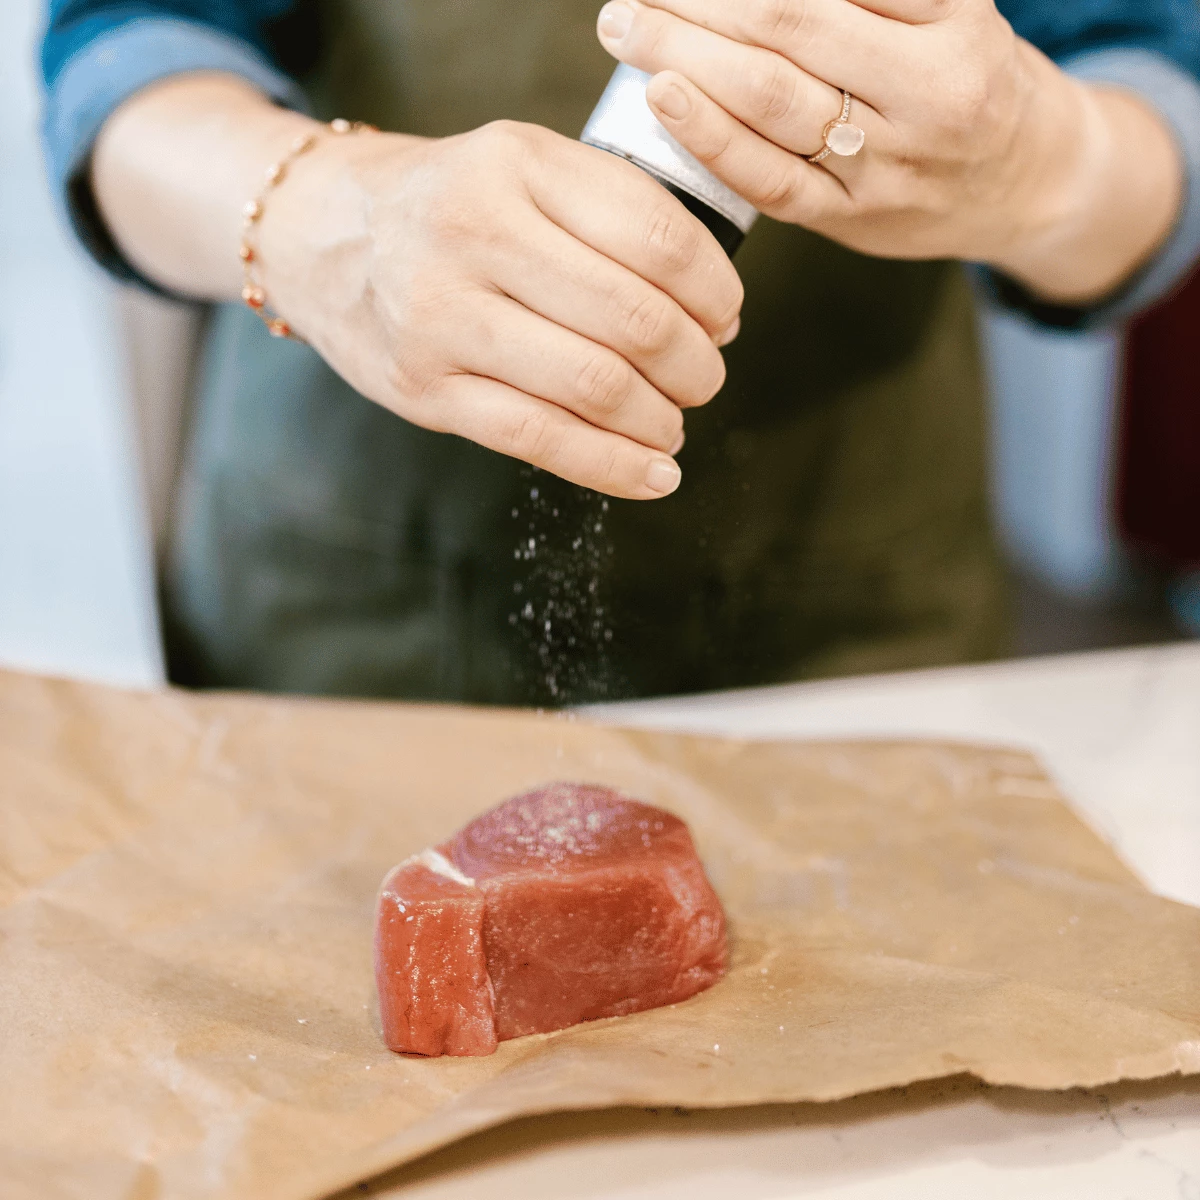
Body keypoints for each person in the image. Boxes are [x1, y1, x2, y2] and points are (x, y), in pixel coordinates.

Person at [41, 0, 1200, 704]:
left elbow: (1153, 84)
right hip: (349, 611)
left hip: (851, 621)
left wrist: (1047, 167)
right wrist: (320, 213)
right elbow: (125, 47)